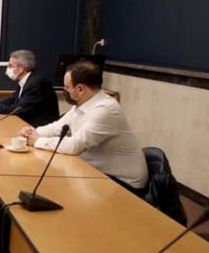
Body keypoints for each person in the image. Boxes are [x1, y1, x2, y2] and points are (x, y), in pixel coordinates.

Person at [20, 60, 148, 193]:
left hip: (124, 184)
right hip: (97, 173)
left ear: (80, 89)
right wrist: (33, 132)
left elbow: (75, 146)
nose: (64, 90)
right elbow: (57, 127)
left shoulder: (105, 109)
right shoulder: (81, 105)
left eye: (66, 87)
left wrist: (38, 141)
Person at [0, 49, 58, 127]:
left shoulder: (35, 83)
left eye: (10, 66)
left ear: (21, 69)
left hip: (40, 127)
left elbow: (18, 109)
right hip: (28, 123)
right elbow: (14, 99)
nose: (7, 69)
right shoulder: (26, 79)